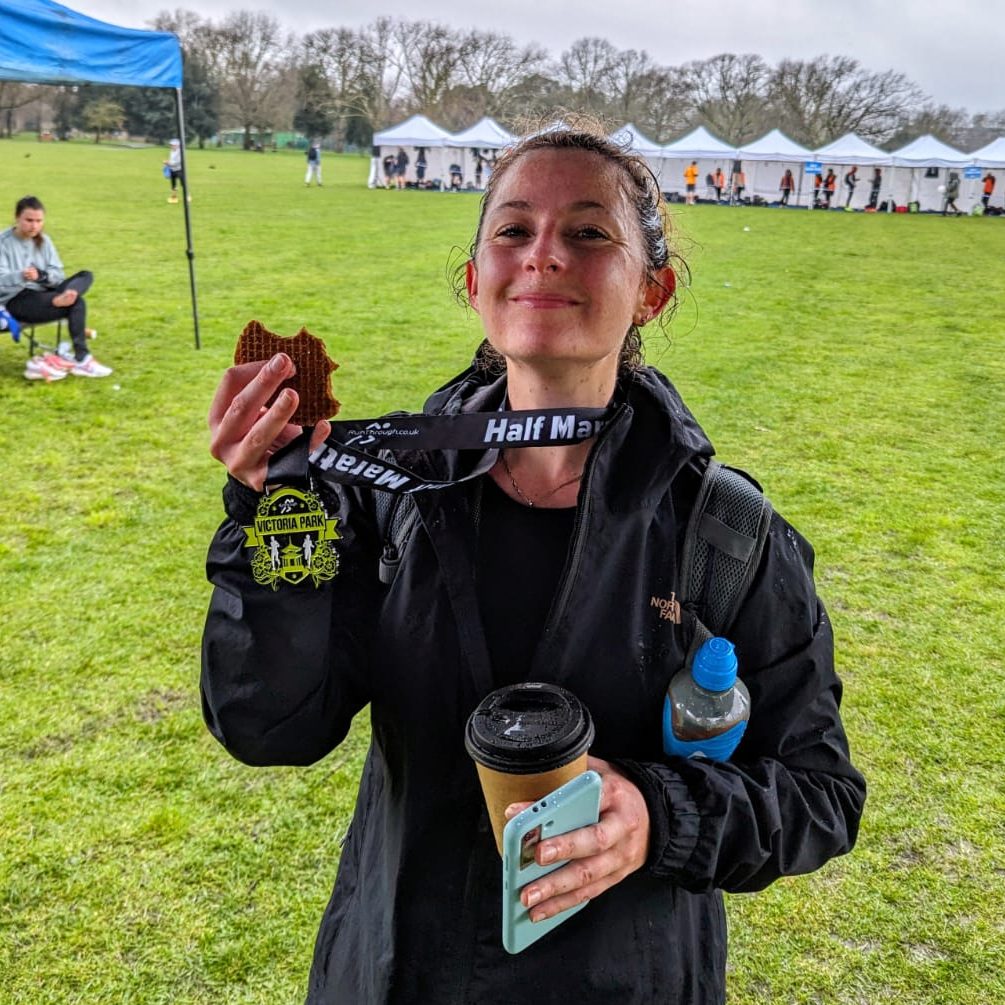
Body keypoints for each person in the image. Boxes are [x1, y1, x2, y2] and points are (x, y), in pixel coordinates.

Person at [201, 122, 865, 1004]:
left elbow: (820, 794)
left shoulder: (726, 535)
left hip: (625, 981)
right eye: (512, 230)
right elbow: (268, 726)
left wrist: (656, 815)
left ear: (651, 291)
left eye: (589, 233)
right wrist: (270, 513)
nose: (544, 255)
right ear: (476, 281)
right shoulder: (381, 492)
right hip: (392, 971)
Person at [0, 195, 111, 378]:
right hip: (17, 298)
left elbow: (58, 275)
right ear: (17, 218)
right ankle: (82, 358)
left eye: (39, 221)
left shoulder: (45, 241)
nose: (34, 226)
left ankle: (69, 294)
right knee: (77, 304)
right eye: (29, 220)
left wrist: (41, 276)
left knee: (86, 275)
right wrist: (21, 275)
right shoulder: (3, 242)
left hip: (46, 291)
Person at [163, 138, 188, 204]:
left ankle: (187, 196)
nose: (171, 146)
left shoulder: (180, 152)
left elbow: (178, 162)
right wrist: (167, 164)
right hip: (172, 169)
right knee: (173, 184)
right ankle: (174, 197)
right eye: (171, 145)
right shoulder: (171, 151)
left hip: (179, 170)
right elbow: (171, 159)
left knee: (183, 183)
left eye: (173, 145)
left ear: (177, 145)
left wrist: (168, 163)